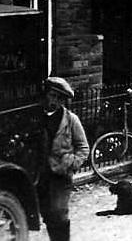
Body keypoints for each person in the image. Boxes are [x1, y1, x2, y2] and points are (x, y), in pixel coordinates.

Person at [36, 76, 89, 241]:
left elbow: (83, 148)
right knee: (47, 214)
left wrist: (71, 163)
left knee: (59, 213)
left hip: (61, 176)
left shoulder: (71, 120)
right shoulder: (36, 117)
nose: (55, 101)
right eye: (53, 95)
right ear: (46, 94)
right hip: (40, 174)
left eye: (60, 98)